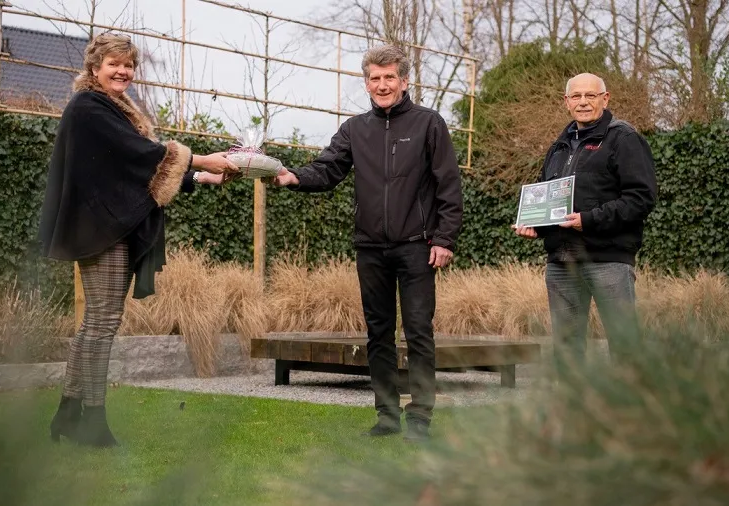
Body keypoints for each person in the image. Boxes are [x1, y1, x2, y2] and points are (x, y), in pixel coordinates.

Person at [39, 32, 239, 448]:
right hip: (101, 227)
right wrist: (201, 158)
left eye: (128, 64)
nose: (123, 71)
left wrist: (202, 176)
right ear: (95, 67)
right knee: (102, 322)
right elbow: (142, 154)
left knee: (97, 323)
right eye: (114, 63)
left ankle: (68, 415)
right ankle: (89, 421)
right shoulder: (88, 107)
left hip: (110, 225)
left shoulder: (113, 107)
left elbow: (138, 163)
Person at [272, 44, 463, 442]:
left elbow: (448, 184)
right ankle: (387, 416)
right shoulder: (355, 129)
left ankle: (420, 419)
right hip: (371, 248)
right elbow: (327, 169)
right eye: (374, 78)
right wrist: (294, 177)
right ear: (367, 83)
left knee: (418, 332)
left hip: (417, 247)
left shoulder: (429, 124)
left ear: (405, 81)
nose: (381, 84)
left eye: (389, 77)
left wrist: (444, 238)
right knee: (378, 333)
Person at [512, 73, 657, 380]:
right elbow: (552, 202)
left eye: (590, 96)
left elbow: (641, 198)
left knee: (625, 347)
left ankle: (632, 419)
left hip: (608, 260)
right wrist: (537, 226)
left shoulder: (624, 138)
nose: (583, 102)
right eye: (576, 96)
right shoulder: (559, 147)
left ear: (605, 99)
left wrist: (588, 220)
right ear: (566, 103)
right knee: (566, 350)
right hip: (562, 263)